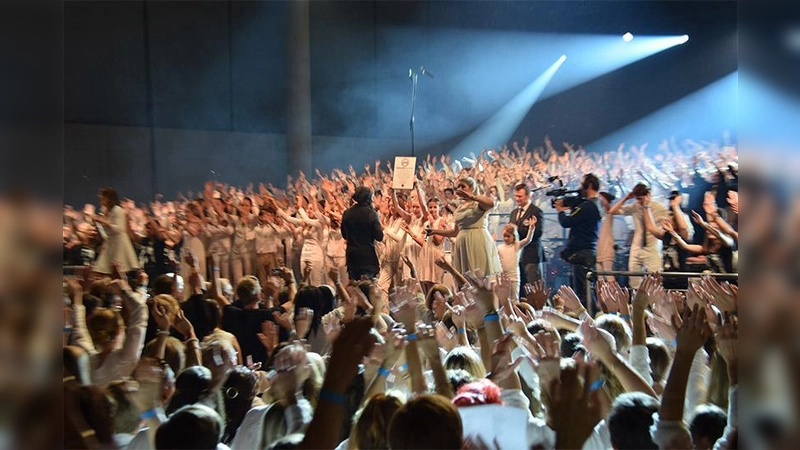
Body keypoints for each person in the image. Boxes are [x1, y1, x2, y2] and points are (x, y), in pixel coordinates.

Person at [427, 177, 501, 277]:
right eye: (458, 187)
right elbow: (455, 232)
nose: (460, 189)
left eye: (463, 186)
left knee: (478, 276)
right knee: (464, 279)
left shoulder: (478, 204)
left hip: (477, 241)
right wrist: (435, 231)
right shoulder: (460, 208)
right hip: (462, 243)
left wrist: (472, 196)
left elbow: (491, 204)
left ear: (471, 187)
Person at [608, 182, 669, 289]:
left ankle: (654, 304)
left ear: (648, 195)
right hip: (636, 248)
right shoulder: (635, 206)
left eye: (640, 198)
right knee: (634, 281)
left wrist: (646, 207)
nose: (639, 201)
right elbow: (612, 211)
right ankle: (637, 303)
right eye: (637, 199)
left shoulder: (659, 208)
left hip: (652, 248)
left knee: (656, 281)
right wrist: (626, 198)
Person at [555, 173, 602, 307]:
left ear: (590, 185)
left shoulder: (588, 206)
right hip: (588, 251)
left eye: (582, 184)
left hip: (583, 253)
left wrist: (560, 211)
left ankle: (589, 322)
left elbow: (567, 221)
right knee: (586, 292)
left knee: (583, 294)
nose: (580, 188)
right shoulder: (595, 204)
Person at [340, 187, 384, 281]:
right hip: (367, 258)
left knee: (355, 291)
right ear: (369, 198)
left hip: (352, 258)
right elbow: (379, 237)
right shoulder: (372, 214)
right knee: (368, 290)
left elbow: (344, 235)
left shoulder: (347, 213)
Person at [93, 188, 140, 275]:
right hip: (111, 243)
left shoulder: (117, 210)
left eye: (102, 197)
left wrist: (104, 222)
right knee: (103, 270)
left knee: (117, 270)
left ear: (109, 198)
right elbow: (106, 232)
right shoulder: (106, 211)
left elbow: (119, 229)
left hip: (118, 245)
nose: (100, 199)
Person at [509, 183, 545, 295]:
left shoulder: (536, 211)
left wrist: (519, 230)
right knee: (521, 290)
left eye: (520, 196)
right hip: (518, 256)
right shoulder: (514, 213)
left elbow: (538, 232)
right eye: (516, 196)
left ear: (528, 196)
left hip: (531, 255)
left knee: (534, 289)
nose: (517, 199)